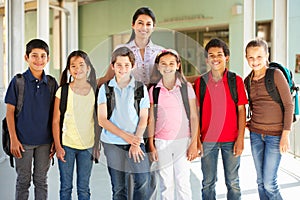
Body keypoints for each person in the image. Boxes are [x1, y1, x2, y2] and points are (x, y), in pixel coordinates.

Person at [194, 38, 248, 200]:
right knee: (208, 183)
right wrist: (196, 139)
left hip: (231, 139)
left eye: (219, 54)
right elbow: (196, 113)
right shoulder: (200, 82)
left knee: (233, 182)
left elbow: (241, 111)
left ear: (227, 57)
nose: (215, 58)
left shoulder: (235, 80)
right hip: (208, 139)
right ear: (206, 59)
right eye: (211, 55)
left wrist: (241, 139)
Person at [4, 38, 58, 200]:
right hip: (22, 142)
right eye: (34, 56)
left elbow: (56, 116)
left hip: (45, 143)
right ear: (26, 57)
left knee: (41, 181)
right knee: (23, 181)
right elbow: (9, 113)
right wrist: (13, 139)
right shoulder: (18, 81)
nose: (39, 60)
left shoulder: (51, 83)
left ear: (48, 59)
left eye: (43, 56)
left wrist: (56, 140)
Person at [97, 46, 150, 200]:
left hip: (136, 140)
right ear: (112, 66)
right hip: (112, 143)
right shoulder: (105, 89)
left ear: (132, 66)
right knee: (119, 187)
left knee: (143, 179)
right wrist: (126, 137)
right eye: (119, 65)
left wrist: (135, 142)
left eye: (127, 65)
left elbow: (144, 118)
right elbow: (102, 120)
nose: (122, 68)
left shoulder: (140, 88)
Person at [147, 49, 200, 199]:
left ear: (177, 65)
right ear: (158, 67)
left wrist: (194, 142)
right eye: (163, 63)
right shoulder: (154, 90)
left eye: (171, 63)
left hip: (183, 141)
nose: (167, 67)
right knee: (166, 183)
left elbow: (194, 117)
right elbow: (151, 119)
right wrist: (151, 143)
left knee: (183, 182)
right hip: (161, 141)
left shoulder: (186, 87)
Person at [244, 39, 293, 200]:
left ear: (267, 56)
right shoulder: (248, 80)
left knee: (269, 183)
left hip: (275, 136)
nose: (255, 61)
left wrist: (285, 135)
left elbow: (288, 105)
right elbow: (254, 105)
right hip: (256, 135)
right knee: (260, 182)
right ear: (246, 58)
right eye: (251, 57)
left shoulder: (275, 75)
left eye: (259, 57)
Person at [52, 50, 100, 200]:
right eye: (73, 66)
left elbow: (98, 122)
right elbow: (55, 121)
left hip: (88, 147)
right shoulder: (63, 91)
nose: (77, 69)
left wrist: (96, 147)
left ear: (88, 68)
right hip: (67, 146)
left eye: (81, 65)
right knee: (66, 187)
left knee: (84, 188)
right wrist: (58, 146)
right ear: (69, 70)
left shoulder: (95, 90)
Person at [97, 6, 164, 87]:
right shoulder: (121, 50)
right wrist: (86, 84)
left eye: (148, 24)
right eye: (140, 23)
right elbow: (108, 77)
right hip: (129, 98)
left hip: (155, 99)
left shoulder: (161, 52)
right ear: (133, 24)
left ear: (153, 27)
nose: (144, 27)